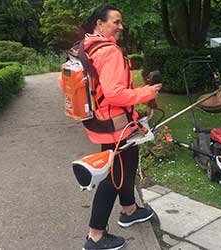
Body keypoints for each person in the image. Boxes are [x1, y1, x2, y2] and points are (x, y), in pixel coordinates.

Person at [76, 4, 162, 250]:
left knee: (126, 165)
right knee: (114, 177)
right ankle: (95, 236)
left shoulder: (85, 46)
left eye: (121, 21)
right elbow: (114, 94)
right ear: (100, 24)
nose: (121, 26)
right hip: (117, 125)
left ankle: (129, 210)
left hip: (103, 121)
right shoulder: (109, 51)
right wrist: (147, 92)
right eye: (116, 21)